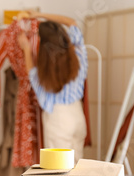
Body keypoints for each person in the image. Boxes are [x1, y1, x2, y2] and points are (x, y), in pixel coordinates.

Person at [18, 12, 88, 162]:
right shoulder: (78, 53)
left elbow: (32, 75)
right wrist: (38, 14)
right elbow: (72, 21)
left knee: (59, 172)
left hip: (59, 120)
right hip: (78, 116)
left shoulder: (45, 73)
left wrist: (26, 48)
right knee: (78, 168)